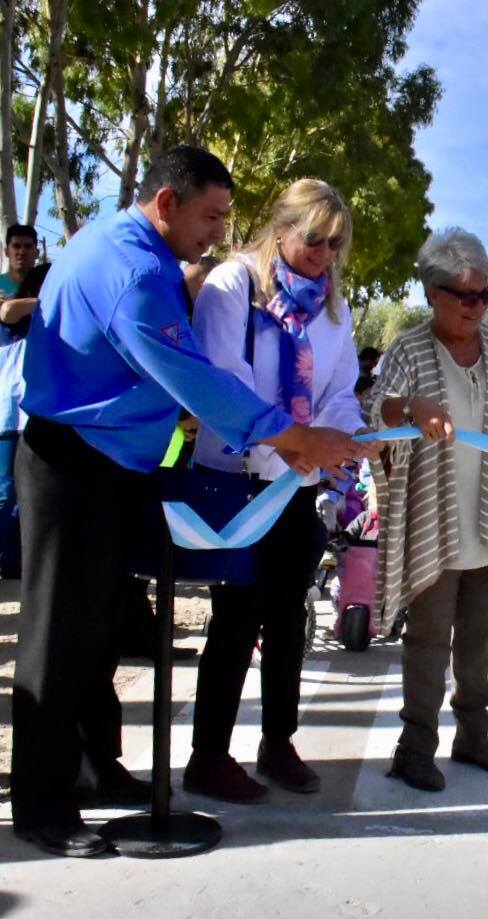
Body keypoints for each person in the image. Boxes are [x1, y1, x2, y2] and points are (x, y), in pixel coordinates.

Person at [12, 145, 369, 858]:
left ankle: (87, 768)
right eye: (209, 216)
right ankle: (41, 805)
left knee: (97, 627)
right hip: (74, 466)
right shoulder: (139, 272)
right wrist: (294, 435)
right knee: (58, 636)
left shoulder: (117, 243)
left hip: (114, 465)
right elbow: (195, 378)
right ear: (168, 203)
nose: (216, 232)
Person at [181, 178, 375, 803]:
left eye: (335, 245)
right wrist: (299, 442)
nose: (324, 254)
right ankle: (208, 755)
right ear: (282, 228)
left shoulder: (332, 309)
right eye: (314, 239)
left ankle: (278, 742)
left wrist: (345, 438)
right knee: (235, 620)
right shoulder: (233, 285)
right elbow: (223, 380)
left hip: (298, 484)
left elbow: (341, 392)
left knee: (289, 617)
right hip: (239, 480)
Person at [370, 228, 488, 791]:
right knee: (427, 642)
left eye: (485, 294)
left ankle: (473, 735)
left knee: (478, 640)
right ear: (433, 293)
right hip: (434, 524)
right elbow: (376, 411)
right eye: (465, 295)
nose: (478, 307)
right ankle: (415, 746)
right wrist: (408, 404)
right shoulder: (407, 349)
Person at [0, 224, 38, 577]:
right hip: (5, 404)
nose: (22, 252)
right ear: (8, 248)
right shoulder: (3, 288)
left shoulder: (43, 282)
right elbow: (7, 314)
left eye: (28, 245)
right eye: (17, 246)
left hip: (34, 405)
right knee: (4, 489)